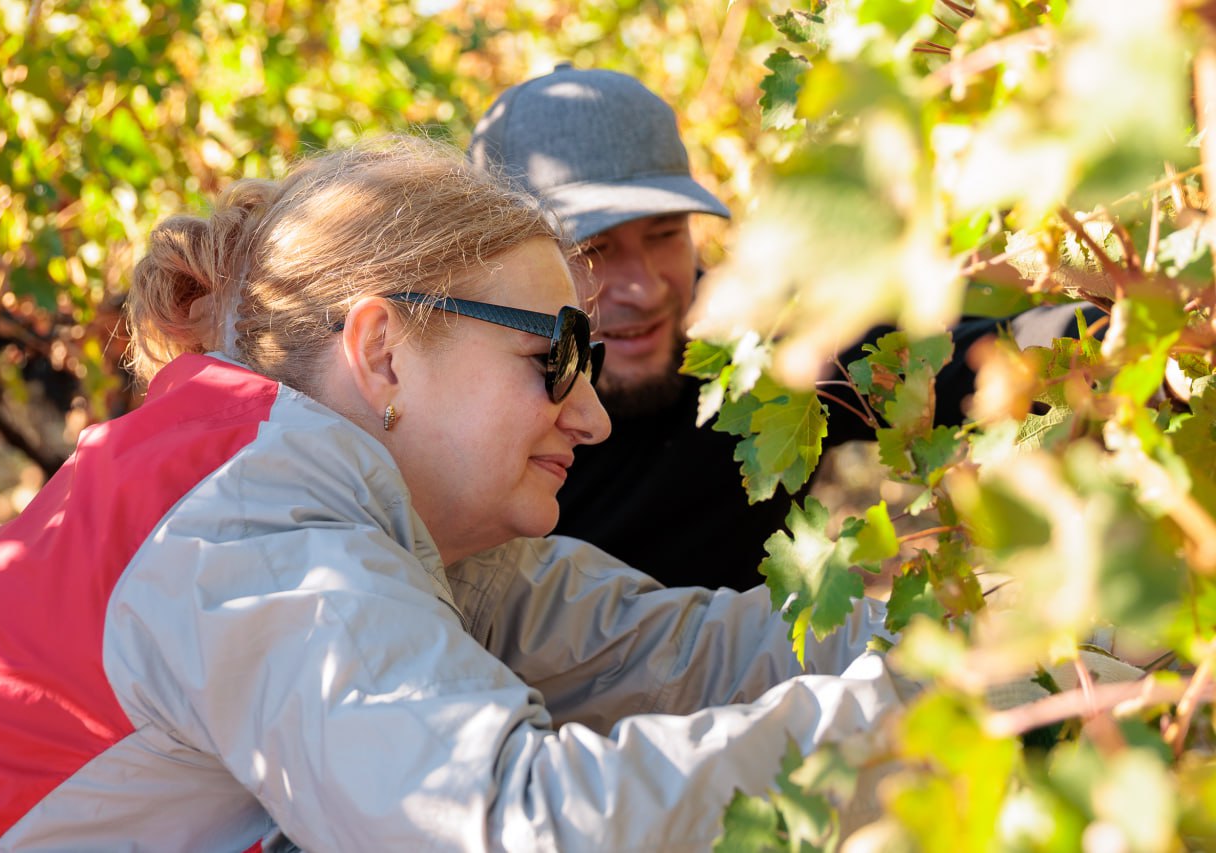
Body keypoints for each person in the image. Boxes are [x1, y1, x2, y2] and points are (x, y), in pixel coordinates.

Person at [0, 138, 902, 851]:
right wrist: (922, 710)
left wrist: (982, 625)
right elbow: (520, 828)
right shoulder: (255, 535)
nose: (594, 416)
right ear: (384, 352)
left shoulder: (387, 515)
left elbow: (695, 656)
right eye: (551, 356)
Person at [469, 65, 1099, 589]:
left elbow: (960, 356)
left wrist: (1130, 338)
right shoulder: (462, 409)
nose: (647, 287)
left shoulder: (752, 340)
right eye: (595, 251)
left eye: (665, 236)